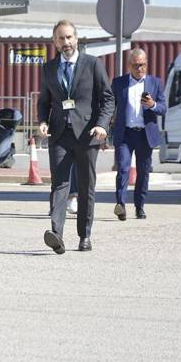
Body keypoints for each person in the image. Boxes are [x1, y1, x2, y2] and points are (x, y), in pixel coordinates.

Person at [37, 20, 114, 254]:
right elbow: (44, 102)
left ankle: (85, 235)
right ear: (54, 42)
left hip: (87, 135)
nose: (66, 42)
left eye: (69, 37)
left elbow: (108, 99)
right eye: (61, 38)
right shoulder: (49, 68)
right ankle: (56, 235)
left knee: (85, 186)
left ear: (76, 39)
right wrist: (42, 121)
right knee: (59, 184)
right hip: (60, 134)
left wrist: (102, 125)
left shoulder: (92, 64)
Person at [111, 48, 167, 220]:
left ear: (146, 64)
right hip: (125, 134)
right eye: (136, 65)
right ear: (129, 66)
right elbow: (109, 106)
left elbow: (163, 108)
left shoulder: (155, 83)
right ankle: (120, 204)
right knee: (123, 168)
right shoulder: (118, 83)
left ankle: (139, 206)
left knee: (143, 172)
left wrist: (152, 105)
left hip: (145, 134)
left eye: (142, 65)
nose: (139, 69)